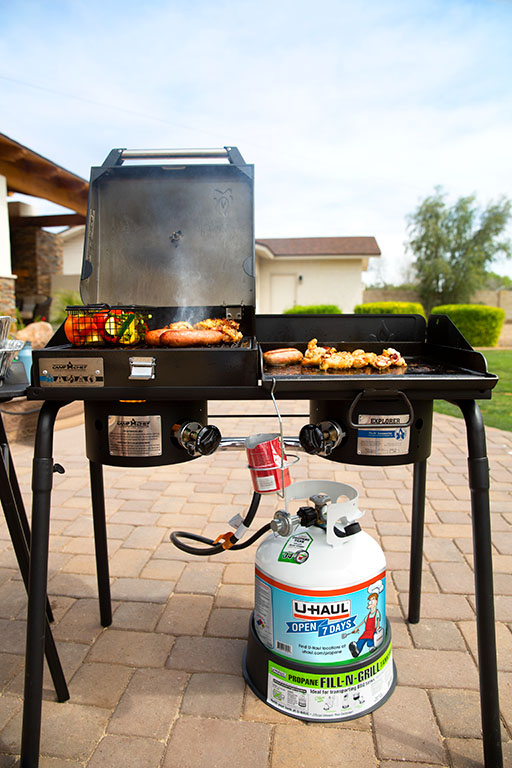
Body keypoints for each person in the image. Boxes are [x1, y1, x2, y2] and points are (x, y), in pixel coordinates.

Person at [348, 592, 380, 658]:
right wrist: (357, 628)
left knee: (370, 639)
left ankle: (371, 647)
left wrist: (378, 627)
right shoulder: (368, 615)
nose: (370, 602)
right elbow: (363, 622)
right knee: (361, 640)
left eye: (372, 599)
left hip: (372, 630)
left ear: (376, 601)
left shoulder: (376, 613)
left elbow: (378, 620)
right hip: (367, 631)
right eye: (370, 600)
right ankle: (356, 651)